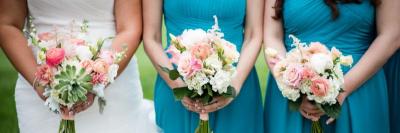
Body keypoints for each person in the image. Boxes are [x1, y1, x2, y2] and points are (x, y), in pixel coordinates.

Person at [0, 0, 158, 132]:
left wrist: (98, 80)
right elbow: (7, 23)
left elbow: (130, 28)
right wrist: (40, 84)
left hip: (113, 78)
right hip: (36, 78)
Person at [263, 0, 400, 132]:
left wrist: (341, 89)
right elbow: (272, 36)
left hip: (359, 88)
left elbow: (391, 35)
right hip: (294, 97)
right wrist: (291, 83)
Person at [143, 0, 264, 132]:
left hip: (237, 85)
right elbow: (151, 38)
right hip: (175, 86)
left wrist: (234, 86)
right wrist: (178, 86)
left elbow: (253, 35)